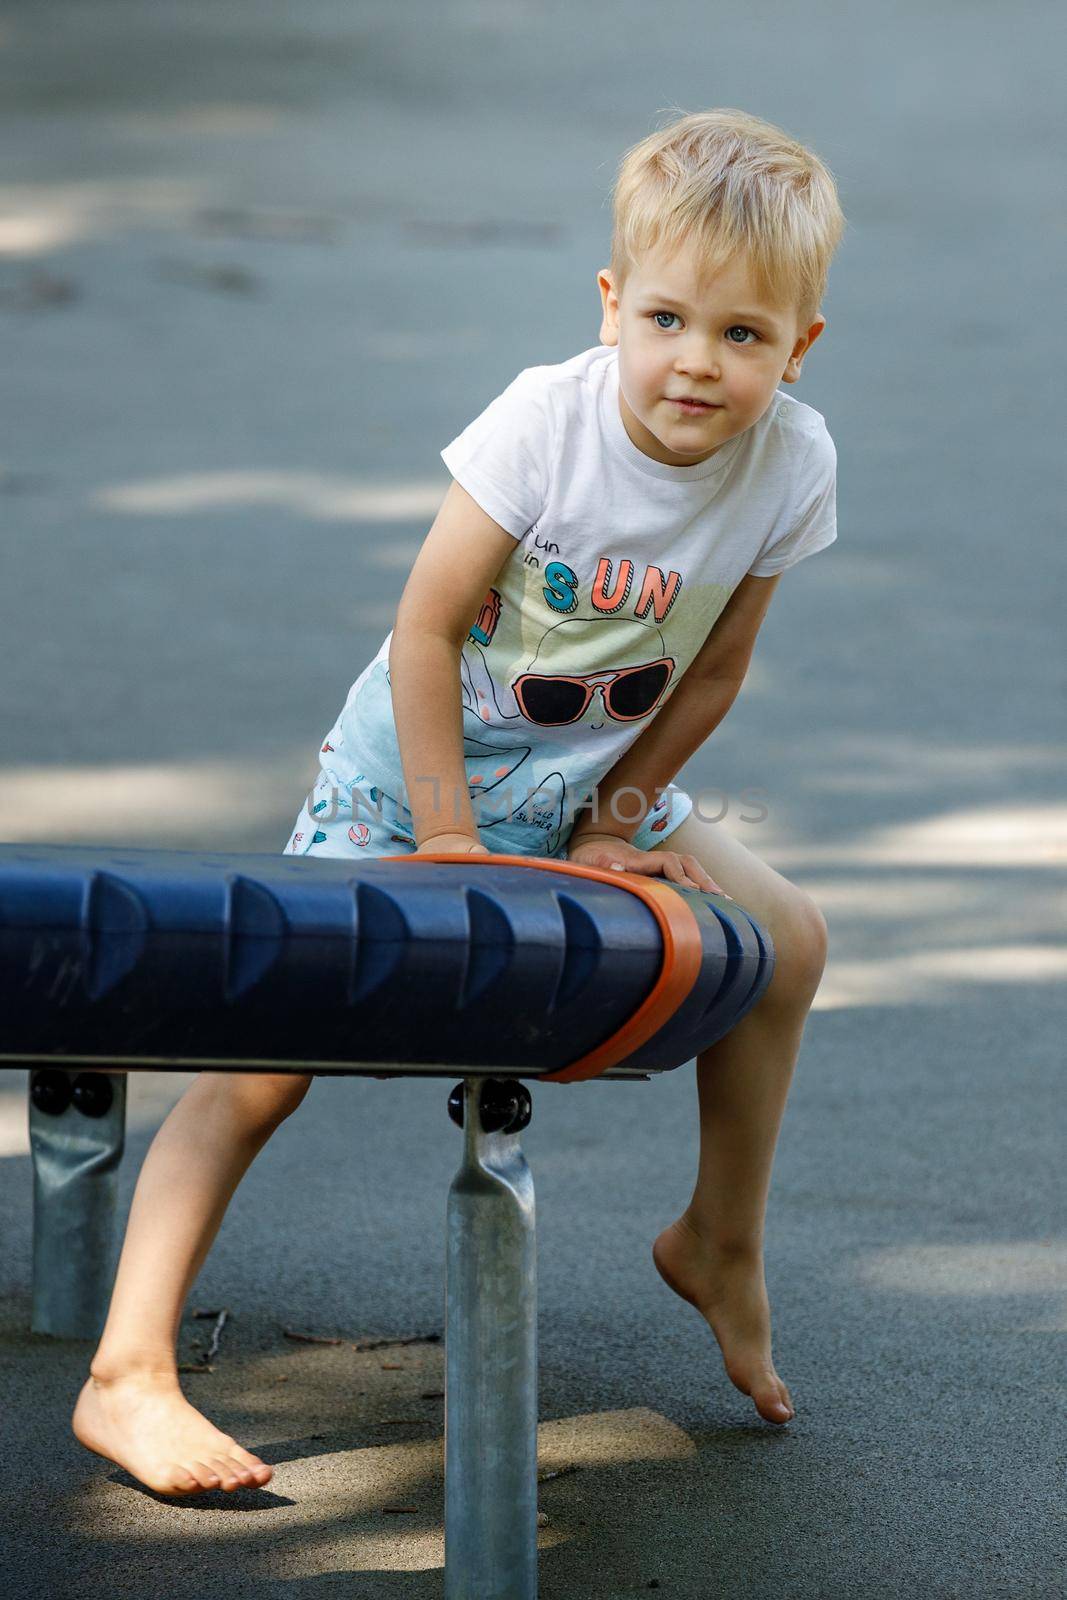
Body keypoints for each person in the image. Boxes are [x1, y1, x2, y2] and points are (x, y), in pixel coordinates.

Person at [73, 106, 845, 1496]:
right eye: (668, 317)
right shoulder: (544, 425)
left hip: (578, 779)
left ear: (802, 346)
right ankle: (126, 1371)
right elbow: (426, 633)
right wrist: (441, 836)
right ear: (612, 306)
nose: (698, 361)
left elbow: (718, 663)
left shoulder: (791, 461)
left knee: (788, 937)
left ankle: (718, 1240)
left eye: (744, 334)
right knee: (264, 1059)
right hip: (407, 776)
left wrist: (619, 819)